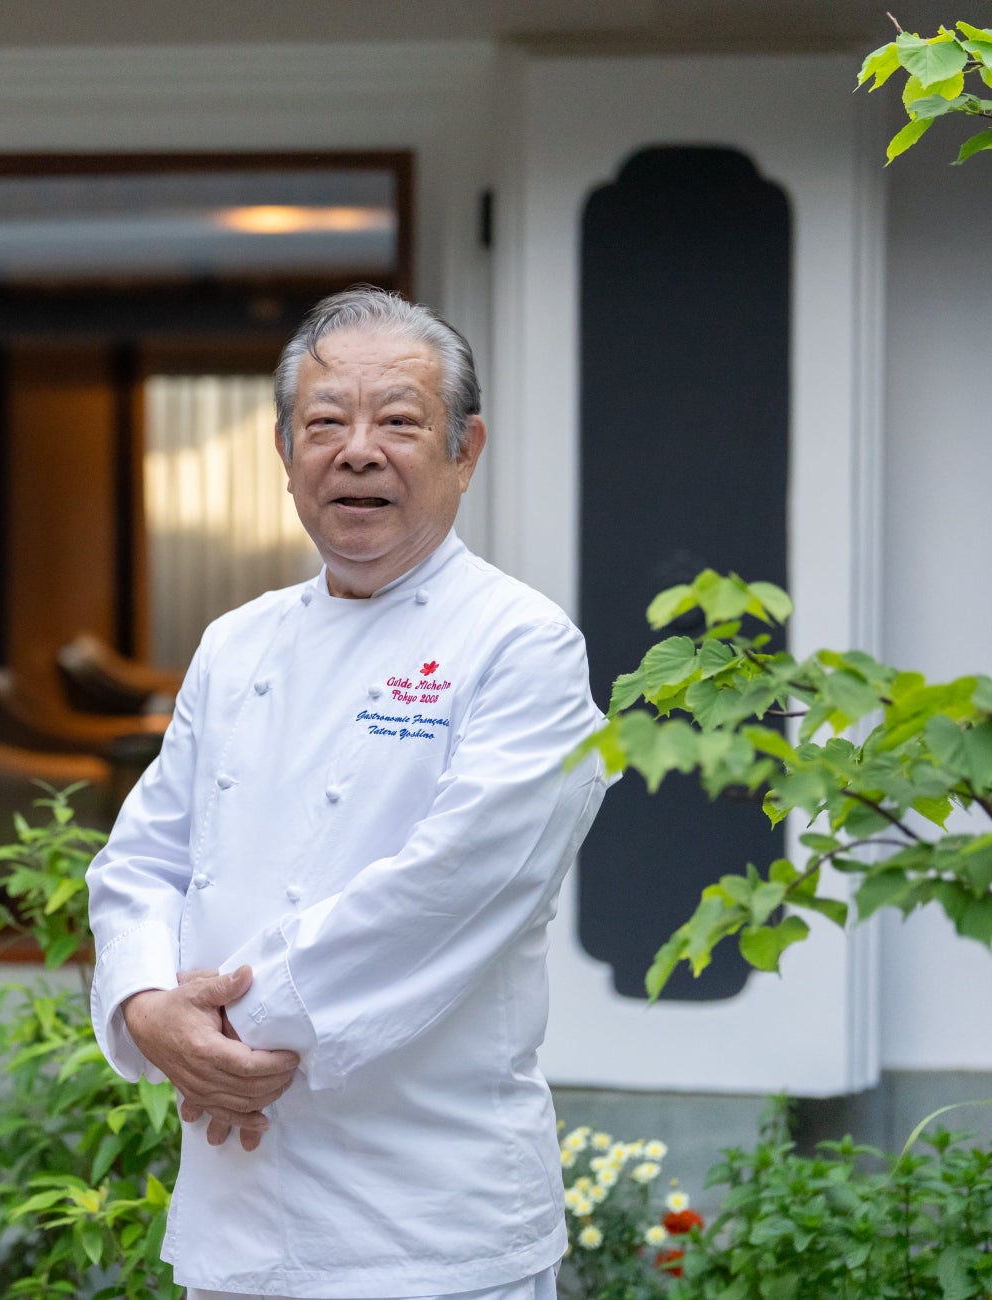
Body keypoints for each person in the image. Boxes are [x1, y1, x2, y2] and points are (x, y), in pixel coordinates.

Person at [85, 285, 612, 1300]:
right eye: (325, 423)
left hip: (427, 1223)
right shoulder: (236, 643)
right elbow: (143, 857)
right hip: (237, 1205)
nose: (357, 452)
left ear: (465, 450)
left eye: (399, 422)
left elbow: (447, 892)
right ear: (285, 453)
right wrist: (147, 1005)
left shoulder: (520, 644)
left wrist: (224, 1034)